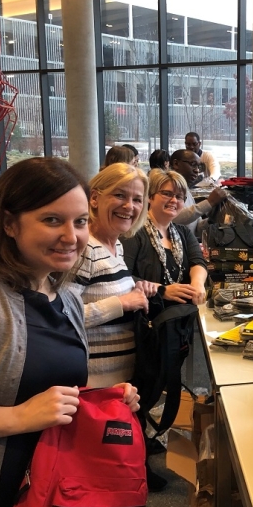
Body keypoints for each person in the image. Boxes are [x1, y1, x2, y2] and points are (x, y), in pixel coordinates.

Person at [0, 158, 140, 507]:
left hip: (48, 488)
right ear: (9, 223)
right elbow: (28, 407)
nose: (72, 236)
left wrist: (103, 400)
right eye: (52, 220)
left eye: (80, 221)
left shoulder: (62, 295)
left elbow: (52, 389)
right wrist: (13, 419)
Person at [71, 163, 153, 388]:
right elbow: (62, 317)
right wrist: (122, 303)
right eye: (119, 195)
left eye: (137, 199)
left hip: (118, 384)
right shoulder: (84, 249)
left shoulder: (116, 245)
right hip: (91, 388)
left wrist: (135, 290)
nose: (129, 206)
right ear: (95, 199)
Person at [122, 169, 208, 306]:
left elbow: (197, 261)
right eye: (167, 194)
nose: (174, 200)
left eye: (179, 197)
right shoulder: (133, 233)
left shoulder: (184, 232)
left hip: (182, 316)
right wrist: (162, 291)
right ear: (150, 196)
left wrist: (197, 284)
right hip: (149, 316)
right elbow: (123, 279)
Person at [169, 148, 227, 237]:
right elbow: (173, 218)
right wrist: (209, 202)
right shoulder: (166, 187)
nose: (196, 170)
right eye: (193, 164)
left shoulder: (186, 190)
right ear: (176, 164)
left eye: (198, 167)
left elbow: (196, 228)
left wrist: (212, 219)